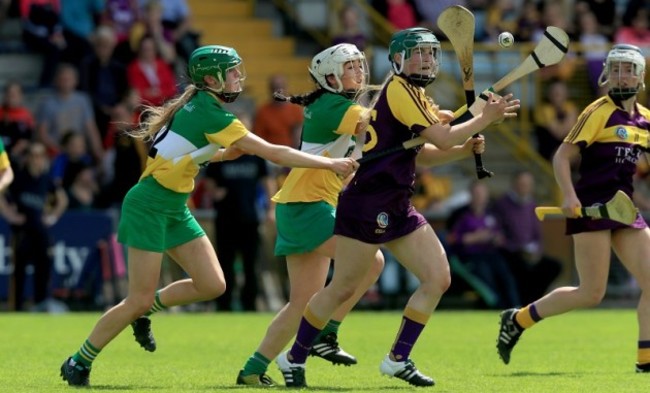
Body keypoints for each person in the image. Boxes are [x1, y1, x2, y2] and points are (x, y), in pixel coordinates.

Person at [58, 44, 358, 387]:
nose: (238, 78)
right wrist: (330, 162)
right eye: (231, 72)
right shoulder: (213, 113)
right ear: (211, 78)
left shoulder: (201, 105)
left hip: (174, 205)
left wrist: (216, 157)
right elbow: (274, 152)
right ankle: (78, 360)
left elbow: (175, 152)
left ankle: (148, 311)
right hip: (148, 205)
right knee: (136, 298)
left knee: (212, 284)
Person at [276, 27, 520, 387]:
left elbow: (427, 154)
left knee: (438, 277)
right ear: (398, 59)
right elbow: (442, 135)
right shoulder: (399, 89)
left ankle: (397, 358)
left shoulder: (416, 94)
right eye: (418, 53)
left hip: (397, 201)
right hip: (367, 200)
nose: (426, 59)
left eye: (431, 53)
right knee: (342, 287)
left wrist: (466, 145)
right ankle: (293, 357)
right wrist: (482, 120)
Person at [236, 43, 385, 386]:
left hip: (303, 205)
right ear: (330, 77)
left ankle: (252, 370)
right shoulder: (335, 105)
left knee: (301, 303)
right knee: (371, 260)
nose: (360, 72)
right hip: (307, 205)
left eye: (360, 66)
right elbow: (382, 123)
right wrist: (430, 116)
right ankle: (326, 333)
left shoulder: (335, 105)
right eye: (351, 68)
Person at [495, 44, 650, 374]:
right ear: (609, 73)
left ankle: (646, 361)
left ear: (640, 76)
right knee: (591, 293)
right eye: (617, 68)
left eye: (628, 69)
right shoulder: (598, 111)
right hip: (591, 209)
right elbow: (562, 156)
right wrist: (568, 195)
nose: (622, 74)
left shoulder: (645, 120)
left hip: (624, 211)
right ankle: (518, 318)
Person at [492, 170, 562, 305]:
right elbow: (498, 234)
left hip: (531, 253)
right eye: (522, 184)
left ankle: (532, 303)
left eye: (527, 184)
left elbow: (537, 235)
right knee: (519, 268)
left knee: (553, 266)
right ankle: (521, 303)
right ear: (514, 184)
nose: (524, 187)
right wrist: (517, 248)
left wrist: (536, 252)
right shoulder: (502, 205)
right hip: (510, 253)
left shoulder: (532, 205)